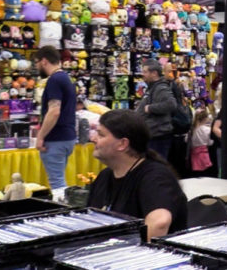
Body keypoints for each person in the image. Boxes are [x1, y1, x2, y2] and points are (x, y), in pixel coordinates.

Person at [87, 110, 187, 240]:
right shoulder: (105, 176)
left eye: (101, 135)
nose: (93, 139)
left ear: (122, 144)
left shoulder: (155, 177)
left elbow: (159, 223)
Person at [35, 45, 77, 191]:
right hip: (67, 137)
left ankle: (63, 211)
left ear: (44, 61)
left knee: (57, 184)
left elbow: (54, 111)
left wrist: (40, 136)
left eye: (37, 62)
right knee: (59, 180)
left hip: (55, 139)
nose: (36, 66)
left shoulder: (54, 80)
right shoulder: (66, 78)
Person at [136, 59, 176, 159]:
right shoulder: (152, 87)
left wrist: (150, 108)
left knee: (156, 167)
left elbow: (171, 104)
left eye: (145, 72)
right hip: (152, 135)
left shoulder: (161, 88)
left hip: (158, 136)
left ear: (154, 73)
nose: (142, 74)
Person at [187, 110, 213, 176]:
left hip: (194, 155)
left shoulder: (192, 130)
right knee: (205, 174)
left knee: (196, 174)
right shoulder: (207, 130)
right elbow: (210, 142)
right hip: (204, 154)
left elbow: (186, 140)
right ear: (205, 119)